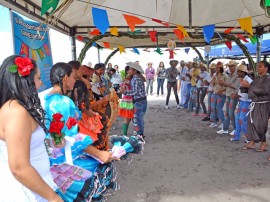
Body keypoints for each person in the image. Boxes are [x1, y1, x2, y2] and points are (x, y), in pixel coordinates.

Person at [0, 55, 61, 202]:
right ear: (24, 81)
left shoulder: (17, 108)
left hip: (34, 187)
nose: (40, 83)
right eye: (38, 78)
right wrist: (54, 198)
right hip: (26, 192)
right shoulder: (15, 112)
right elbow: (19, 168)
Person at [242, 61, 270, 153]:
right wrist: (244, 86)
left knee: (260, 124)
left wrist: (249, 86)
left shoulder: (268, 79)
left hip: (263, 104)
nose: (258, 68)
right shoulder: (257, 78)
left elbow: (263, 91)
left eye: (260, 66)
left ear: (266, 68)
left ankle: (264, 143)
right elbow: (252, 90)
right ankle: (252, 142)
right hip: (255, 103)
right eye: (258, 66)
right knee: (251, 122)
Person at [121, 62, 147, 140]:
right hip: (141, 100)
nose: (128, 71)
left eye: (130, 69)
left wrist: (125, 92)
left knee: (137, 119)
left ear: (135, 71)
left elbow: (135, 92)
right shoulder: (137, 78)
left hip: (138, 101)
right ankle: (140, 134)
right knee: (138, 119)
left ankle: (140, 136)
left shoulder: (135, 79)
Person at [230, 65, 252, 142]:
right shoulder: (242, 79)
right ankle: (236, 136)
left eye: (239, 72)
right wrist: (238, 95)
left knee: (242, 119)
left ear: (243, 72)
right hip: (242, 101)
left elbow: (252, 90)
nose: (238, 73)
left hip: (247, 102)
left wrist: (237, 95)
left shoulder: (248, 80)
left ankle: (249, 138)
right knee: (237, 118)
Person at [217, 61, 240, 135]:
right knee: (227, 113)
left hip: (233, 95)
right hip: (228, 95)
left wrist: (224, 84)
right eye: (230, 66)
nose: (230, 68)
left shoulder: (237, 75)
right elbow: (227, 85)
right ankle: (225, 128)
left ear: (235, 67)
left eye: (232, 66)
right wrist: (222, 89)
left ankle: (235, 129)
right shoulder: (229, 75)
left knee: (230, 113)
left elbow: (235, 86)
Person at [209, 62, 227, 128]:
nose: (217, 68)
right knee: (213, 107)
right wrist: (213, 81)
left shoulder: (225, 75)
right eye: (216, 67)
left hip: (221, 94)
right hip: (214, 93)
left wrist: (222, 90)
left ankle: (222, 122)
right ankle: (214, 121)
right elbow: (212, 84)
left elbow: (227, 85)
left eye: (218, 67)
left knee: (219, 108)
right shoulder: (215, 75)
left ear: (221, 67)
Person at [119, 66, 134, 136]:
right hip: (129, 101)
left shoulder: (130, 79)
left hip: (128, 100)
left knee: (129, 119)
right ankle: (124, 135)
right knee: (129, 119)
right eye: (131, 69)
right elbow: (122, 90)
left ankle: (124, 135)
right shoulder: (127, 79)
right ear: (127, 71)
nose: (132, 70)